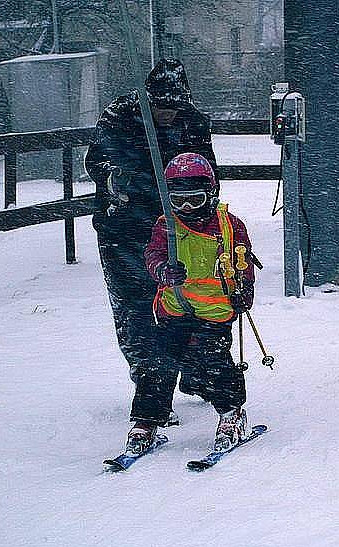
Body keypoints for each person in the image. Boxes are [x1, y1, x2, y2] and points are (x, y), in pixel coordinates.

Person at [85, 58, 219, 435]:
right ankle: (149, 387)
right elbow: (98, 164)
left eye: (173, 107)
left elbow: (209, 173)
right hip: (125, 230)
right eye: (159, 106)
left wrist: (200, 209)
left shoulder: (192, 121)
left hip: (178, 229)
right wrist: (128, 182)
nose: (166, 114)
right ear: (147, 98)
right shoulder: (121, 116)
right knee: (136, 307)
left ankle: (196, 374)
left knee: (190, 300)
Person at [129, 153, 255, 453]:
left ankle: (231, 413)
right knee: (157, 362)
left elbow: (244, 263)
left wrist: (244, 291)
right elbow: (152, 256)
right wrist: (163, 270)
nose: (187, 209)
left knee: (212, 361)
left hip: (215, 312)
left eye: (195, 200)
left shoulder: (229, 225)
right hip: (175, 309)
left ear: (210, 194)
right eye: (179, 201)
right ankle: (147, 420)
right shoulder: (166, 226)